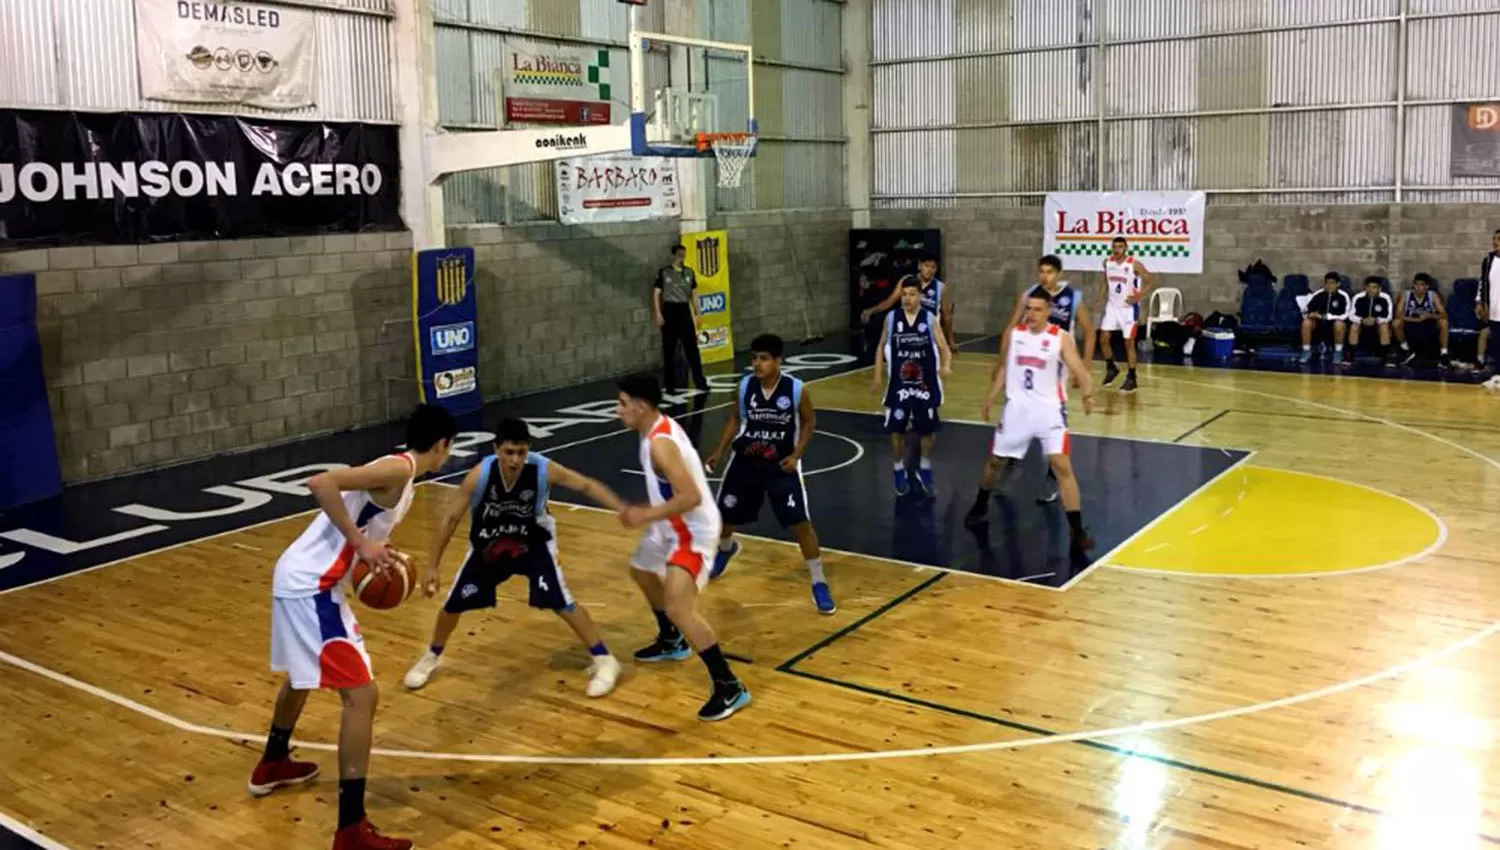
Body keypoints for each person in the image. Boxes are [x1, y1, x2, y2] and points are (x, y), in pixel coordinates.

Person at [249, 404, 457, 850]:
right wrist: (361, 543)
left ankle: (272, 763)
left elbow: (360, 520)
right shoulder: (398, 471)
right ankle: (351, 831)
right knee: (362, 696)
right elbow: (321, 482)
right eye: (449, 448)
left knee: (303, 677)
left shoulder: (402, 477)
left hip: (304, 579)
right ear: (442, 445)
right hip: (312, 585)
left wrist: (378, 548)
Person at [402, 418, 627, 697]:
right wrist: (432, 566)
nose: (515, 459)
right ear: (497, 449)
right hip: (490, 543)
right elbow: (449, 518)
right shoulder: (480, 474)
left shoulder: (543, 469)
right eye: (509, 452)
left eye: (521, 452)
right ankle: (431, 656)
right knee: (453, 604)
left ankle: (605, 659)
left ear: (528, 450)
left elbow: (585, 485)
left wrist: (621, 508)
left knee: (561, 600)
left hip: (533, 541)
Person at [615, 373, 751, 721]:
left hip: (693, 529)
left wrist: (644, 513)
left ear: (641, 406)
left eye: (622, 403)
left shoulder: (660, 443)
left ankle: (728, 685)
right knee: (642, 570)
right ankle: (671, 641)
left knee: (679, 606)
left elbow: (689, 497)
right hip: (670, 526)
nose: (617, 411)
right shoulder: (654, 428)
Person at [703, 334, 834, 615]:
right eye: (754, 358)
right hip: (745, 461)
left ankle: (819, 581)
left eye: (763, 358)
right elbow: (736, 418)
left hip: (780, 465)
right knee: (725, 515)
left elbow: (810, 422)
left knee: (800, 522)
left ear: (777, 361)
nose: (757, 364)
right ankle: (725, 548)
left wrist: (797, 455)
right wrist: (719, 450)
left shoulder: (797, 390)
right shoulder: (744, 387)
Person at [965, 290, 1095, 554]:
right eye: (1028, 308)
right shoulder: (1016, 335)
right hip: (1017, 410)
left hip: (1048, 410)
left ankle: (1077, 531)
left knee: (1061, 464)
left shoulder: (1060, 338)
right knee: (995, 461)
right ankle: (980, 503)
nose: (1031, 314)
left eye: (1037, 309)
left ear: (1048, 311)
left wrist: (1088, 393)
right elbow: (1005, 368)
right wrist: (990, 396)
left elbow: (1080, 370)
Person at [1001, 255, 1095, 505]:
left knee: (1055, 423)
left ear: (1059, 273)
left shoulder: (1073, 297)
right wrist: (1002, 361)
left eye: (1050, 272)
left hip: (1057, 368)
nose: (1045, 276)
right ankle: (1010, 456)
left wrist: (1083, 369)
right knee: (1015, 410)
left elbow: (1089, 331)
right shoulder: (1030, 295)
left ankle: (1053, 477)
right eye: (1041, 271)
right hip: (1028, 364)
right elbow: (1011, 328)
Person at [872, 276, 953, 496]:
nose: (907, 299)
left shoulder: (928, 319)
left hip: (925, 383)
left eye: (912, 294)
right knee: (896, 430)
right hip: (899, 384)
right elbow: (880, 347)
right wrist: (878, 375)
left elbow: (945, 349)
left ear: (920, 296)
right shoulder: (891, 318)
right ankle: (898, 469)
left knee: (928, 430)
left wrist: (945, 366)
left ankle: (924, 467)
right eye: (904, 294)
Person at [860, 255, 956, 361]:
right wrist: (871, 310)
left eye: (933, 267)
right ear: (920, 266)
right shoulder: (907, 280)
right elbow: (890, 300)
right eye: (927, 266)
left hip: (927, 333)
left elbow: (947, 315)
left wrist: (951, 341)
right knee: (878, 323)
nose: (929, 270)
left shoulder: (941, 287)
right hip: (906, 330)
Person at [1096, 237, 1155, 393]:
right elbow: (1105, 281)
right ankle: (1111, 367)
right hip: (1112, 307)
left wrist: (1138, 295)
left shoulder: (1134, 264)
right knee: (1103, 339)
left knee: (1128, 343)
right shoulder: (1107, 263)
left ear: (1126, 248)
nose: (1117, 250)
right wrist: (1100, 298)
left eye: (1120, 247)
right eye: (1114, 247)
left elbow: (1151, 280)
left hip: (1128, 309)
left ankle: (1132, 377)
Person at [653, 243, 707, 393]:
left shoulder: (689, 273)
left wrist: (698, 313)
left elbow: (694, 294)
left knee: (692, 349)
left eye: (683, 255)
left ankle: (700, 381)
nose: (681, 258)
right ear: (673, 256)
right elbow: (656, 293)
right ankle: (670, 384)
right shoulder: (664, 273)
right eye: (679, 255)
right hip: (670, 310)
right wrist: (658, 313)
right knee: (669, 350)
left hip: (684, 310)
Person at [1394, 273, 1450, 367]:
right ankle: (1405, 350)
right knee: (1396, 323)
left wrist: (1430, 316)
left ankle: (1444, 353)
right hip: (1411, 322)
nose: (1419, 287)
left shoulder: (1433, 295)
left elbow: (1444, 315)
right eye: (1416, 284)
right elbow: (1397, 314)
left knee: (1444, 323)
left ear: (1427, 286)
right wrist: (1414, 320)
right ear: (1413, 285)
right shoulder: (1405, 294)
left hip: (1428, 322)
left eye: (1422, 285)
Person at [1299, 272, 1352, 364]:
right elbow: (1306, 310)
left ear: (1338, 284)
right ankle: (1306, 351)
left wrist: (1327, 317)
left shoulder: (1343, 296)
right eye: (1327, 283)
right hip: (1319, 323)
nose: (1329, 285)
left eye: (1332, 283)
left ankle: (1338, 352)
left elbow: (1345, 315)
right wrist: (1310, 314)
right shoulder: (1318, 294)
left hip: (1335, 323)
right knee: (1306, 322)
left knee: (1339, 324)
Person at [1347, 277, 1395, 368]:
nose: (1371, 290)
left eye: (1374, 287)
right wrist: (1362, 320)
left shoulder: (1385, 298)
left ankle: (1387, 356)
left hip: (1378, 325)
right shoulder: (1358, 297)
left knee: (1384, 326)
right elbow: (1351, 315)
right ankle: (1350, 355)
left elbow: (1389, 316)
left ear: (1379, 289)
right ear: (1365, 287)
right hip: (1362, 325)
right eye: (1368, 287)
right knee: (1354, 326)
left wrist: (1376, 320)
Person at [1477, 230, 1500, 368]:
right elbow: (1483, 282)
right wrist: (1480, 302)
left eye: (1499, 238)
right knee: (1497, 342)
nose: (1495, 242)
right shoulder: (1488, 260)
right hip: (1494, 309)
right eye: (1494, 239)